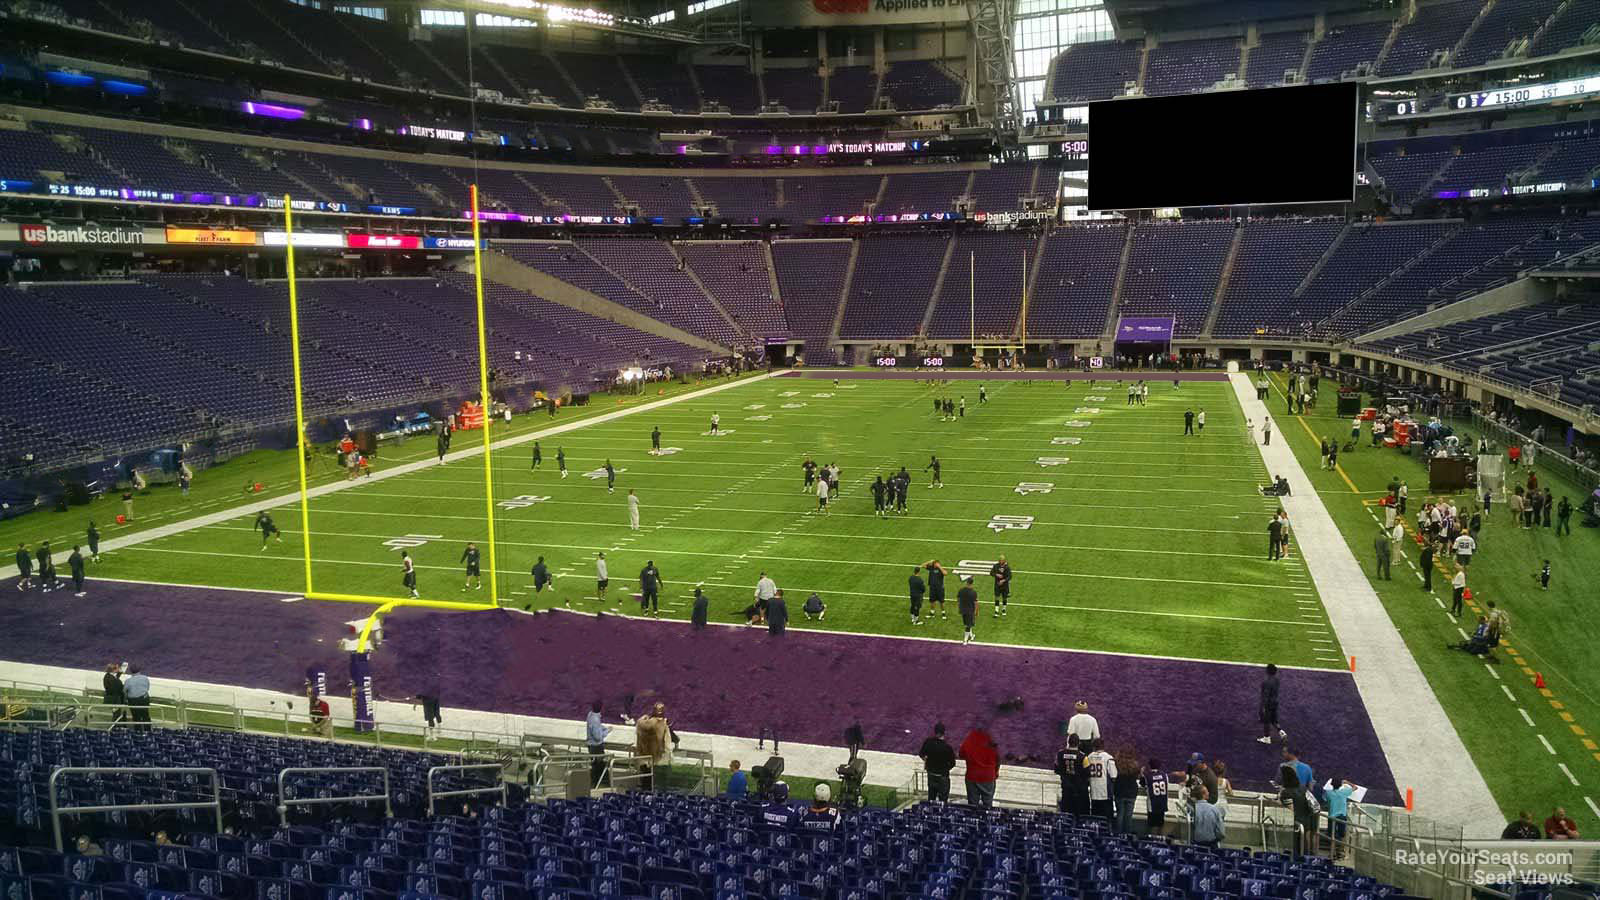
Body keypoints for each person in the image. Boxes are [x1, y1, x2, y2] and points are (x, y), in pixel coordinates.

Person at [958, 725, 999, 808]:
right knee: (988, 805)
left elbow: (961, 754)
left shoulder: (970, 738)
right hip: (988, 776)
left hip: (972, 776)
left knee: (972, 806)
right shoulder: (992, 740)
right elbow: (997, 759)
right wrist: (996, 772)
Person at [634, 702, 671, 790]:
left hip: (643, 757)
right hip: (656, 759)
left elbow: (637, 738)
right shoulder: (662, 725)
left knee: (645, 782)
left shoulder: (641, 723)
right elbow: (667, 744)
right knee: (657, 784)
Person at [919, 722, 957, 803]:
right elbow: (953, 763)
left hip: (931, 775)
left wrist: (928, 763)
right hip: (942, 777)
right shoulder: (947, 748)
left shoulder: (928, 742)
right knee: (943, 801)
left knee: (931, 799)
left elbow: (921, 754)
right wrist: (945, 769)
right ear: (944, 733)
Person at [1084, 739, 1116, 820]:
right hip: (1105, 794)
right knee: (1107, 820)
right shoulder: (1108, 757)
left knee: (1095, 819)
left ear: (1093, 746)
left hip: (1094, 792)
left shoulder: (1089, 757)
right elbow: (1113, 775)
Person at [1324, 777, 1355, 853]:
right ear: (1340, 785)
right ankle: (1341, 850)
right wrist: (1347, 782)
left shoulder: (1328, 793)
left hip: (1332, 816)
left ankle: (1332, 851)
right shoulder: (1344, 792)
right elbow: (1355, 787)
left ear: (1332, 784)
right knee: (1342, 834)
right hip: (1342, 816)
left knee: (1332, 835)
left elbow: (1326, 800)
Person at [1112, 749, 1140, 834]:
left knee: (1119, 815)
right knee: (1128, 816)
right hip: (1131, 794)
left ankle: (1118, 835)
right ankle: (1127, 836)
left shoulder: (1117, 764)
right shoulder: (1135, 765)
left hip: (1120, 792)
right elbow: (1136, 776)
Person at [586, 700, 611, 788]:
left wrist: (604, 728)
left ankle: (596, 784)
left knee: (596, 766)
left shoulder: (590, 715)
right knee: (599, 767)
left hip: (592, 746)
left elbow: (596, 728)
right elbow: (598, 737)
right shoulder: (595, 719)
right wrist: (607, 732)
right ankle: (599, 785)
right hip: (596, 747)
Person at [1258, 663, 1284, 744]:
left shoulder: (1266, 682)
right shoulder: (1277, 680)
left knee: (1266, 721)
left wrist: (1263, 707)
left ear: (1267, 671)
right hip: (1275, 702)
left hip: (1268, 704)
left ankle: (1267, 738)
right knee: (1274, 720)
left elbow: (1265, 696)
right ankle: (1281, 732)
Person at [1144, 759, 1169, 835]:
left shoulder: (1147, 776)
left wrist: (1141, 773)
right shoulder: (1165, 775)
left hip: (1153, 804)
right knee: (1161, 823)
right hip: (1162, 803)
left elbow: (1144, 785)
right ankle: (1160, 840)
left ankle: (1152, 841)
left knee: (1152, 825)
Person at [957, 576, 978, 645]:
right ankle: (965, 640)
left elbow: (958, 600)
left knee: (967, 624)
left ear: (967, 582)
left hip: (963, 609)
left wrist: (959, 607)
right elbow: (975, 603)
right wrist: (976, 611)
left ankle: (971, 635)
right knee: (968, 625)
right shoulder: (973, 592)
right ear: (972, 583)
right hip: (970, 610)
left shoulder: (961, 590)